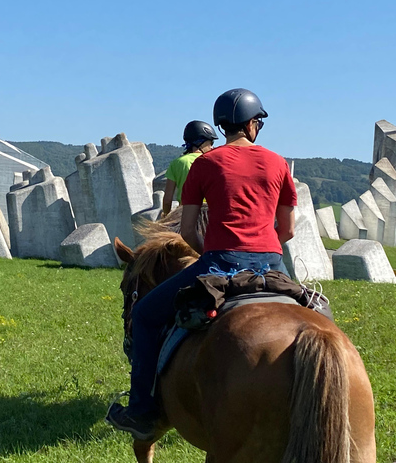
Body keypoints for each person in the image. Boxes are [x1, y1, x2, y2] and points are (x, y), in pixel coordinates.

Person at [106, 88, 297, 440]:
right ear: (253, 124)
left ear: (223, 126)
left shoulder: (205, 165)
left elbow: (190, 230)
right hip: (272, 264)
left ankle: (141, 412)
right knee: (313, 312)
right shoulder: (278, 163)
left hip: (219, 262)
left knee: (146, 316)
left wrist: (211, 252)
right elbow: (286, 230)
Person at [161, 120, 218, 216]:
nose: (212, 147)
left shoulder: (177, 163)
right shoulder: (214, 162)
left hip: (184, 214)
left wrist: (165, 216)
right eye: (211, 143)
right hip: (209, 214)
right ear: (201, 142)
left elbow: (167, 200)